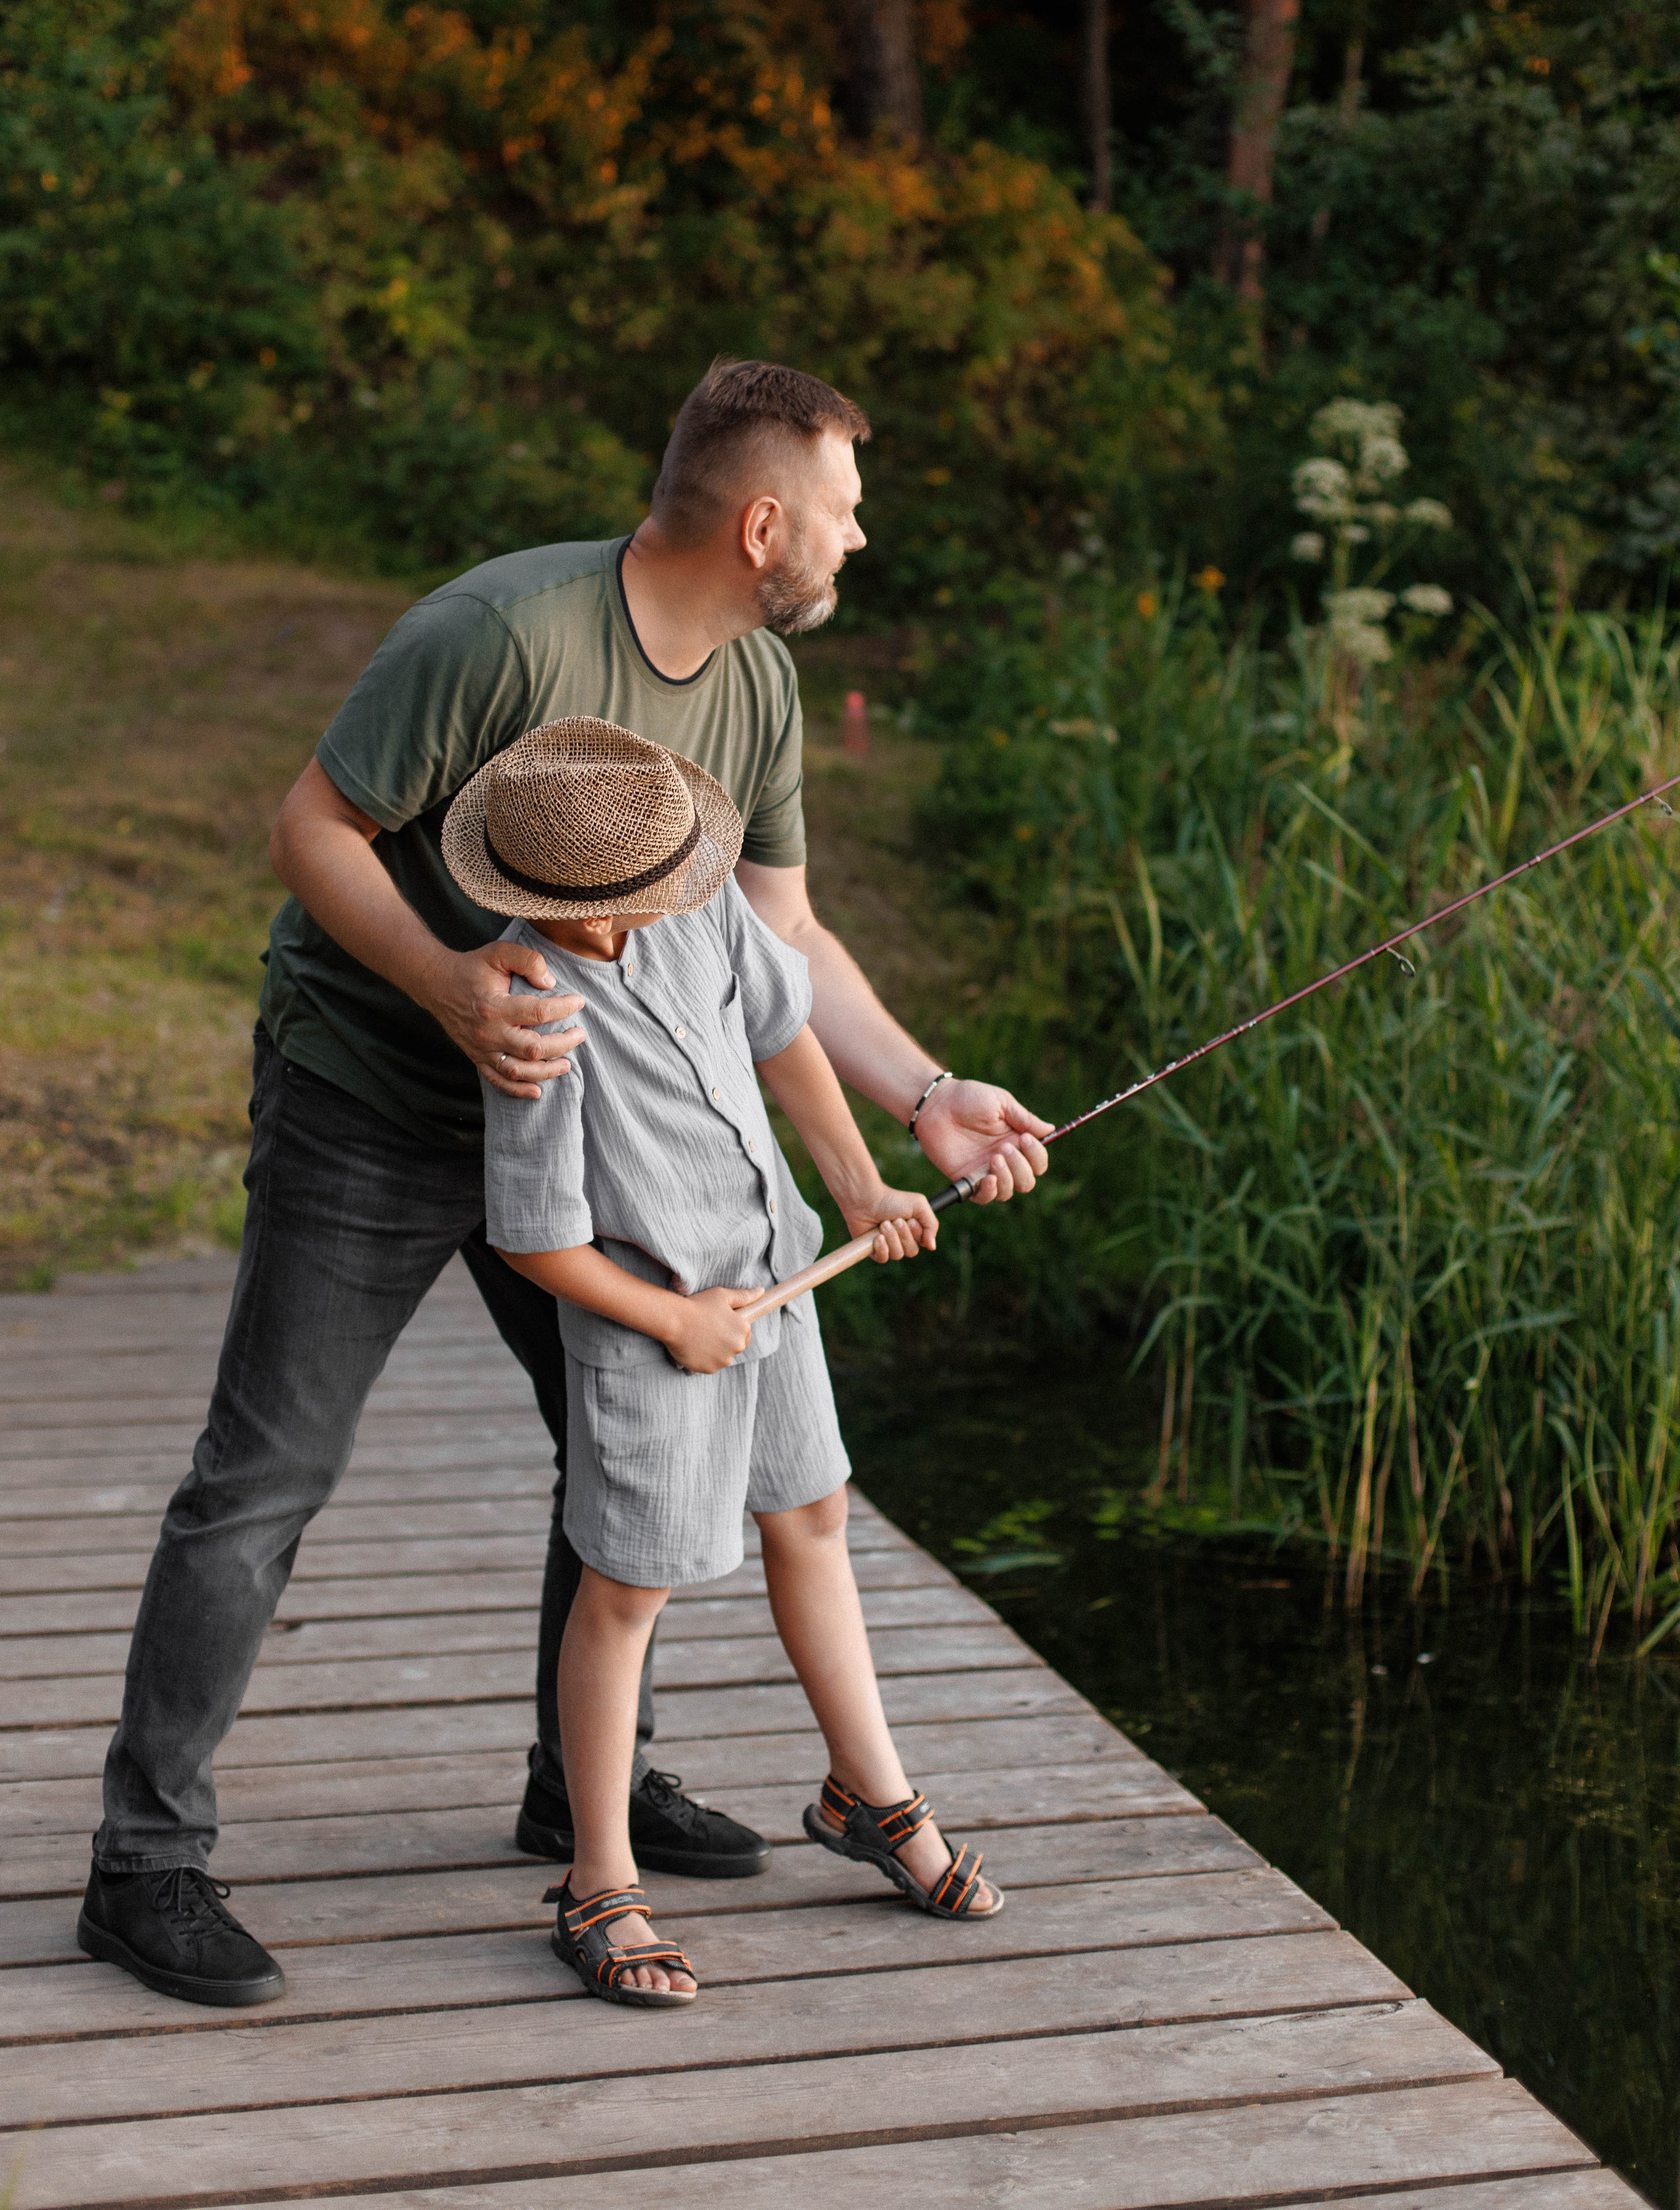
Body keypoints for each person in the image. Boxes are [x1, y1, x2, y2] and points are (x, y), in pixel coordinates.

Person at [77, 356, 1047, 2012]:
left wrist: (926, 1095)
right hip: (373, 1098)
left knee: (614, 1432)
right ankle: (145, 1863)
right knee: (267, 1473)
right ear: (763, 523)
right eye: (844, 510)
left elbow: (780, 949)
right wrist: (452, 990)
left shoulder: (751, 685)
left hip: (607, 1130)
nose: (858, 538)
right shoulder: (501, 636)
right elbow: (312, 827)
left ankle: (581, 1793)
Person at [452, 714, 1003, 2005]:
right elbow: (533, 1239)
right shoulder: (529, 1002)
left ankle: (871, 1798)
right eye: (619, 903)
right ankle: (597, 1882)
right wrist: (669, 1320)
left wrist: (859, 1184)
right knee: (626, 1589)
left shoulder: (695, 910)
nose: (648, 912)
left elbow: (782, 1031)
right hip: (653, 1333)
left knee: (812, 1517)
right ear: (549, 899)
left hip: (776, 1284)